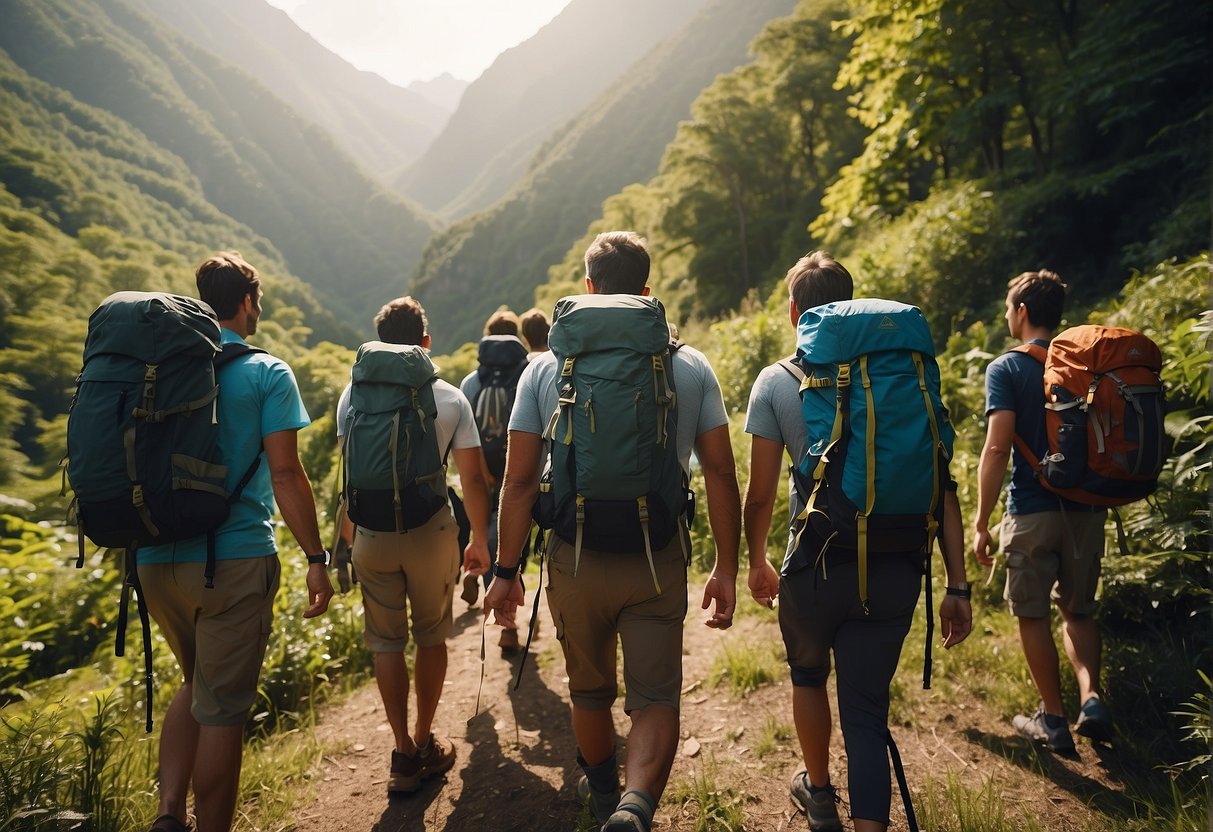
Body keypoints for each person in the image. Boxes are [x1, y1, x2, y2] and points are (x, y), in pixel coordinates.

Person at [483, 231, 742, 832]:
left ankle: (602, 793)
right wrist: (725, 566)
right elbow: (722, 473)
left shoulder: (544, 369)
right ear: (647, 291)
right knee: (655, 698)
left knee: (589, 691)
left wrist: (505, 572)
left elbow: (518, 484)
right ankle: (636, 806)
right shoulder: (690, 365)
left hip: (575, 557)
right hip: (658, 556)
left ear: (589, 289)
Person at [743, 251, 972, 832]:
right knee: (867, 715)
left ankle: (820, 793)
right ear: (853, 304)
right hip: (896, 565)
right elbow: (944, 486)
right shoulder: (906, 377)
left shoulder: (776, 381)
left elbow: (761, 495)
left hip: (817, 564)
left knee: (808, 676)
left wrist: (755, 561)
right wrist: (958, 585)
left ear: (796, 312)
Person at [136, 251, 335, 832]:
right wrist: (316, 558)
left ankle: (169, 815)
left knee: (196, 684)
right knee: (222, 707)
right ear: (247, 302)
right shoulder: (267, 372)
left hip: (154, 557)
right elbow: (287, 474)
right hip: (234, 559)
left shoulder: (163, 366)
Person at [335, 296, 492, 792]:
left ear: (379, 341)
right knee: (430, 635)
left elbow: (352, 477)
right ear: (426, 342)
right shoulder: (448, 398)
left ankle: (401, 749)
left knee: (386, 643)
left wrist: (344, 544)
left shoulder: (350, 397)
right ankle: (425, 740)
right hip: (431, 533)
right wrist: (481, 541)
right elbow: (472, 480)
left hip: (371, 535)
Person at [974, 270, 1111, 752]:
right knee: (1077, 610)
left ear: (1023, 312)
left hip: (1031, 511)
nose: (1007, 315)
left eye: (1009, 308)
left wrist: (980, 522)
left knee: (1031, 614)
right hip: (1088, 509)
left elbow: (996, 449)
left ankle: (1053, 720)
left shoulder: (1007, 369)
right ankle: (1090, 697)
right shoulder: (1084, 364)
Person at [458, 309, 530, 651]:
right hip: (520, 475)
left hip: (480, 475)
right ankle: (510, 624)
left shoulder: (472, 383)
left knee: (485, 539)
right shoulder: (529, 376)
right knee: (515, 544)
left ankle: (480, 578)